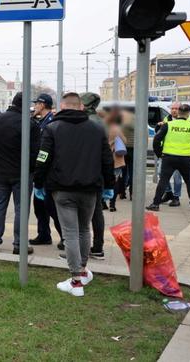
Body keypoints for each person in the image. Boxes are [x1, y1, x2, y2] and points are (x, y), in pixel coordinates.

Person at [33, 92, 114, 297]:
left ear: (61, 106)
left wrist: (39, 183)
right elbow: (107, 159)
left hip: (62, 189)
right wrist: (109, 186)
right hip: (90, 188)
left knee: (70, 233)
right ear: (80, 107)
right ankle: (83, 270)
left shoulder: (52, 128)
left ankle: (76, 281)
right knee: (84, 230)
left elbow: (43, 158)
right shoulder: (96, 128)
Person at [0, 92, 39, 254]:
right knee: (21, 209)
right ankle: (19, 245)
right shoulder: (30, 124)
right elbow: (34, 152)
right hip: (21, 173)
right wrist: (33, 172)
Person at [147, 104, 190, 212]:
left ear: (178, 113)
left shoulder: (168, 125)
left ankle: (155, 204)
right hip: (185, 158)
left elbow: (156, 140)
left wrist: (160, 154)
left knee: (163, 181)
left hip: (169, 158)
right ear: (188, 114)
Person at [28, 93, 63, 249]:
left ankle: (64, 237)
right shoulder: (40, 121)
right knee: (39, 207)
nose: (35, 106)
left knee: (53, 209)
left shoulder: (51, 121)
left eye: (36, 104)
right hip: (40, 172)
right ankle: (44, 235)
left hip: (49, 173)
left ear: (42, 105)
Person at [81, 92, 107, 260]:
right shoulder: (99, 122)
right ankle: (97, 246)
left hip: (86, 172)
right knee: (96, 211)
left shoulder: (87, 122)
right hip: (97, 172)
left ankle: (85, 249)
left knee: (86, 212)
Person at [158, 102, 188, 206]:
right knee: (160, 174)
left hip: (181, 154)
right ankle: (169, 193)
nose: (174, 110)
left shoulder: (188, 120)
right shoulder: (167, 119)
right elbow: (161, 135)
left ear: (180, 110)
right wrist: (160, 127)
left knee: (177, 177)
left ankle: (176, 197)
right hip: (166, 153)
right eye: (172, 108)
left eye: (176, 108)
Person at [105, 107, 127, 213]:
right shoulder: (116, 128)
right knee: (115, 181)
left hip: (104, 158)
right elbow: (124, 141)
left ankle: (102, 202)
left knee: (103, 180)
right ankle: (112, 204)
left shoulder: (101, 128)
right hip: (115, 160)